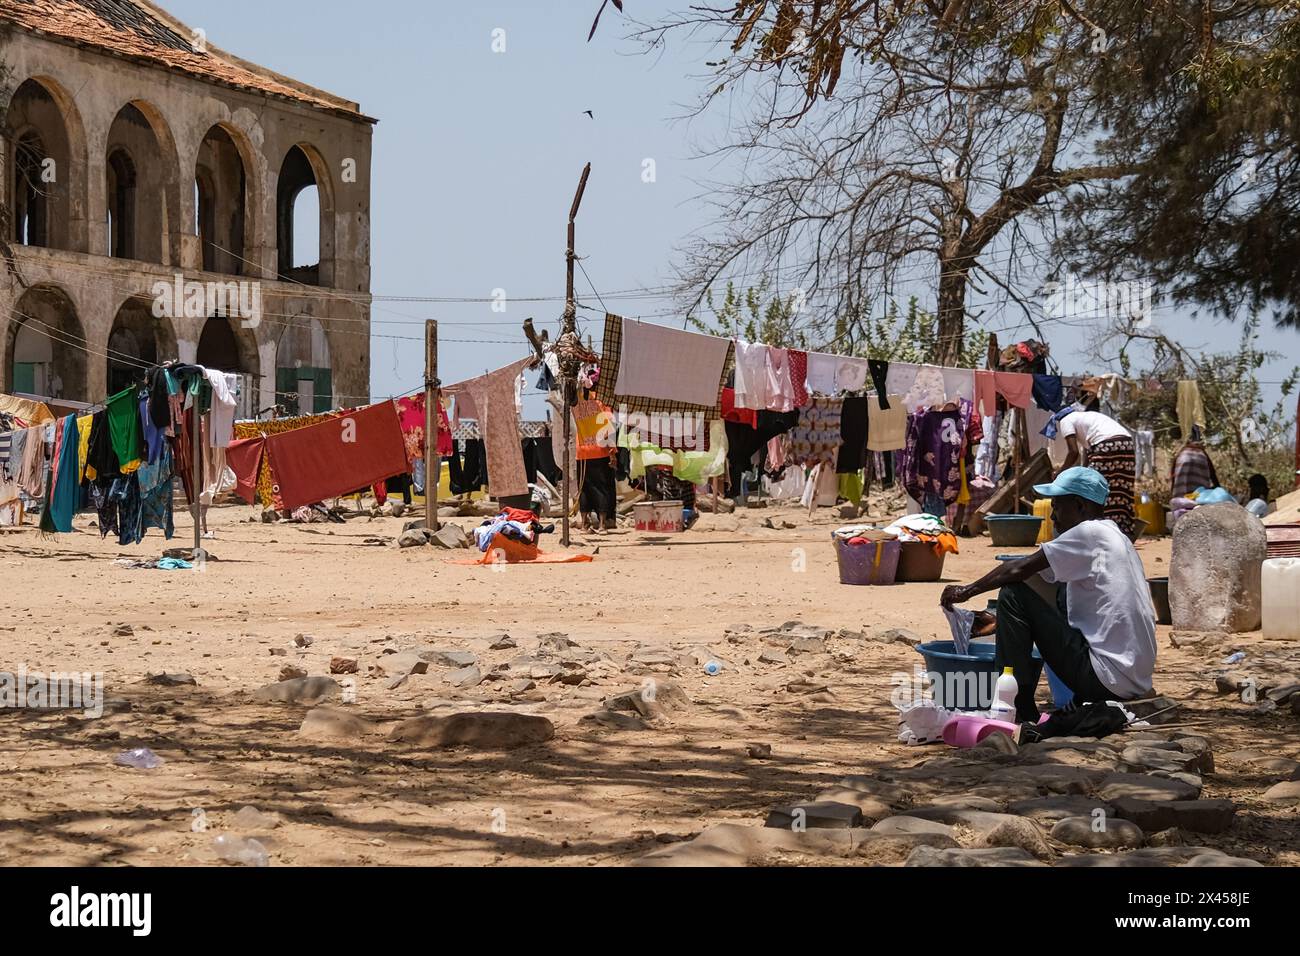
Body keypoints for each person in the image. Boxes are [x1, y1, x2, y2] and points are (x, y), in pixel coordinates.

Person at [940, 466, 1156, 722]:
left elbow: (1019, 569)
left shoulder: (1088, 533)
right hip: (1132, 680)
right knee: (1044, 590)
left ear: (1080, 506)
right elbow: (1042, 583)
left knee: (1012, 593)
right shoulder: (1116, 537)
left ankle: (1015, 706)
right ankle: (1022, 693)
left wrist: (966, 591)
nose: (1053, 516)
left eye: (1057, 506)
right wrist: (998, 618)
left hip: (1104, 680)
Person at [1056, 405, 1136, 536]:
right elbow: (1087, 454)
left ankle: (1096, 531)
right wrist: (1085, 471)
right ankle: (1122, 530)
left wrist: (1060, 472)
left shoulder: (1065, 420)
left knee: (1095, 491)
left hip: (1106, 445)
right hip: (1126, 442)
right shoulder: (1087, 417)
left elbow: (1073, 452)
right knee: (1120, 490)